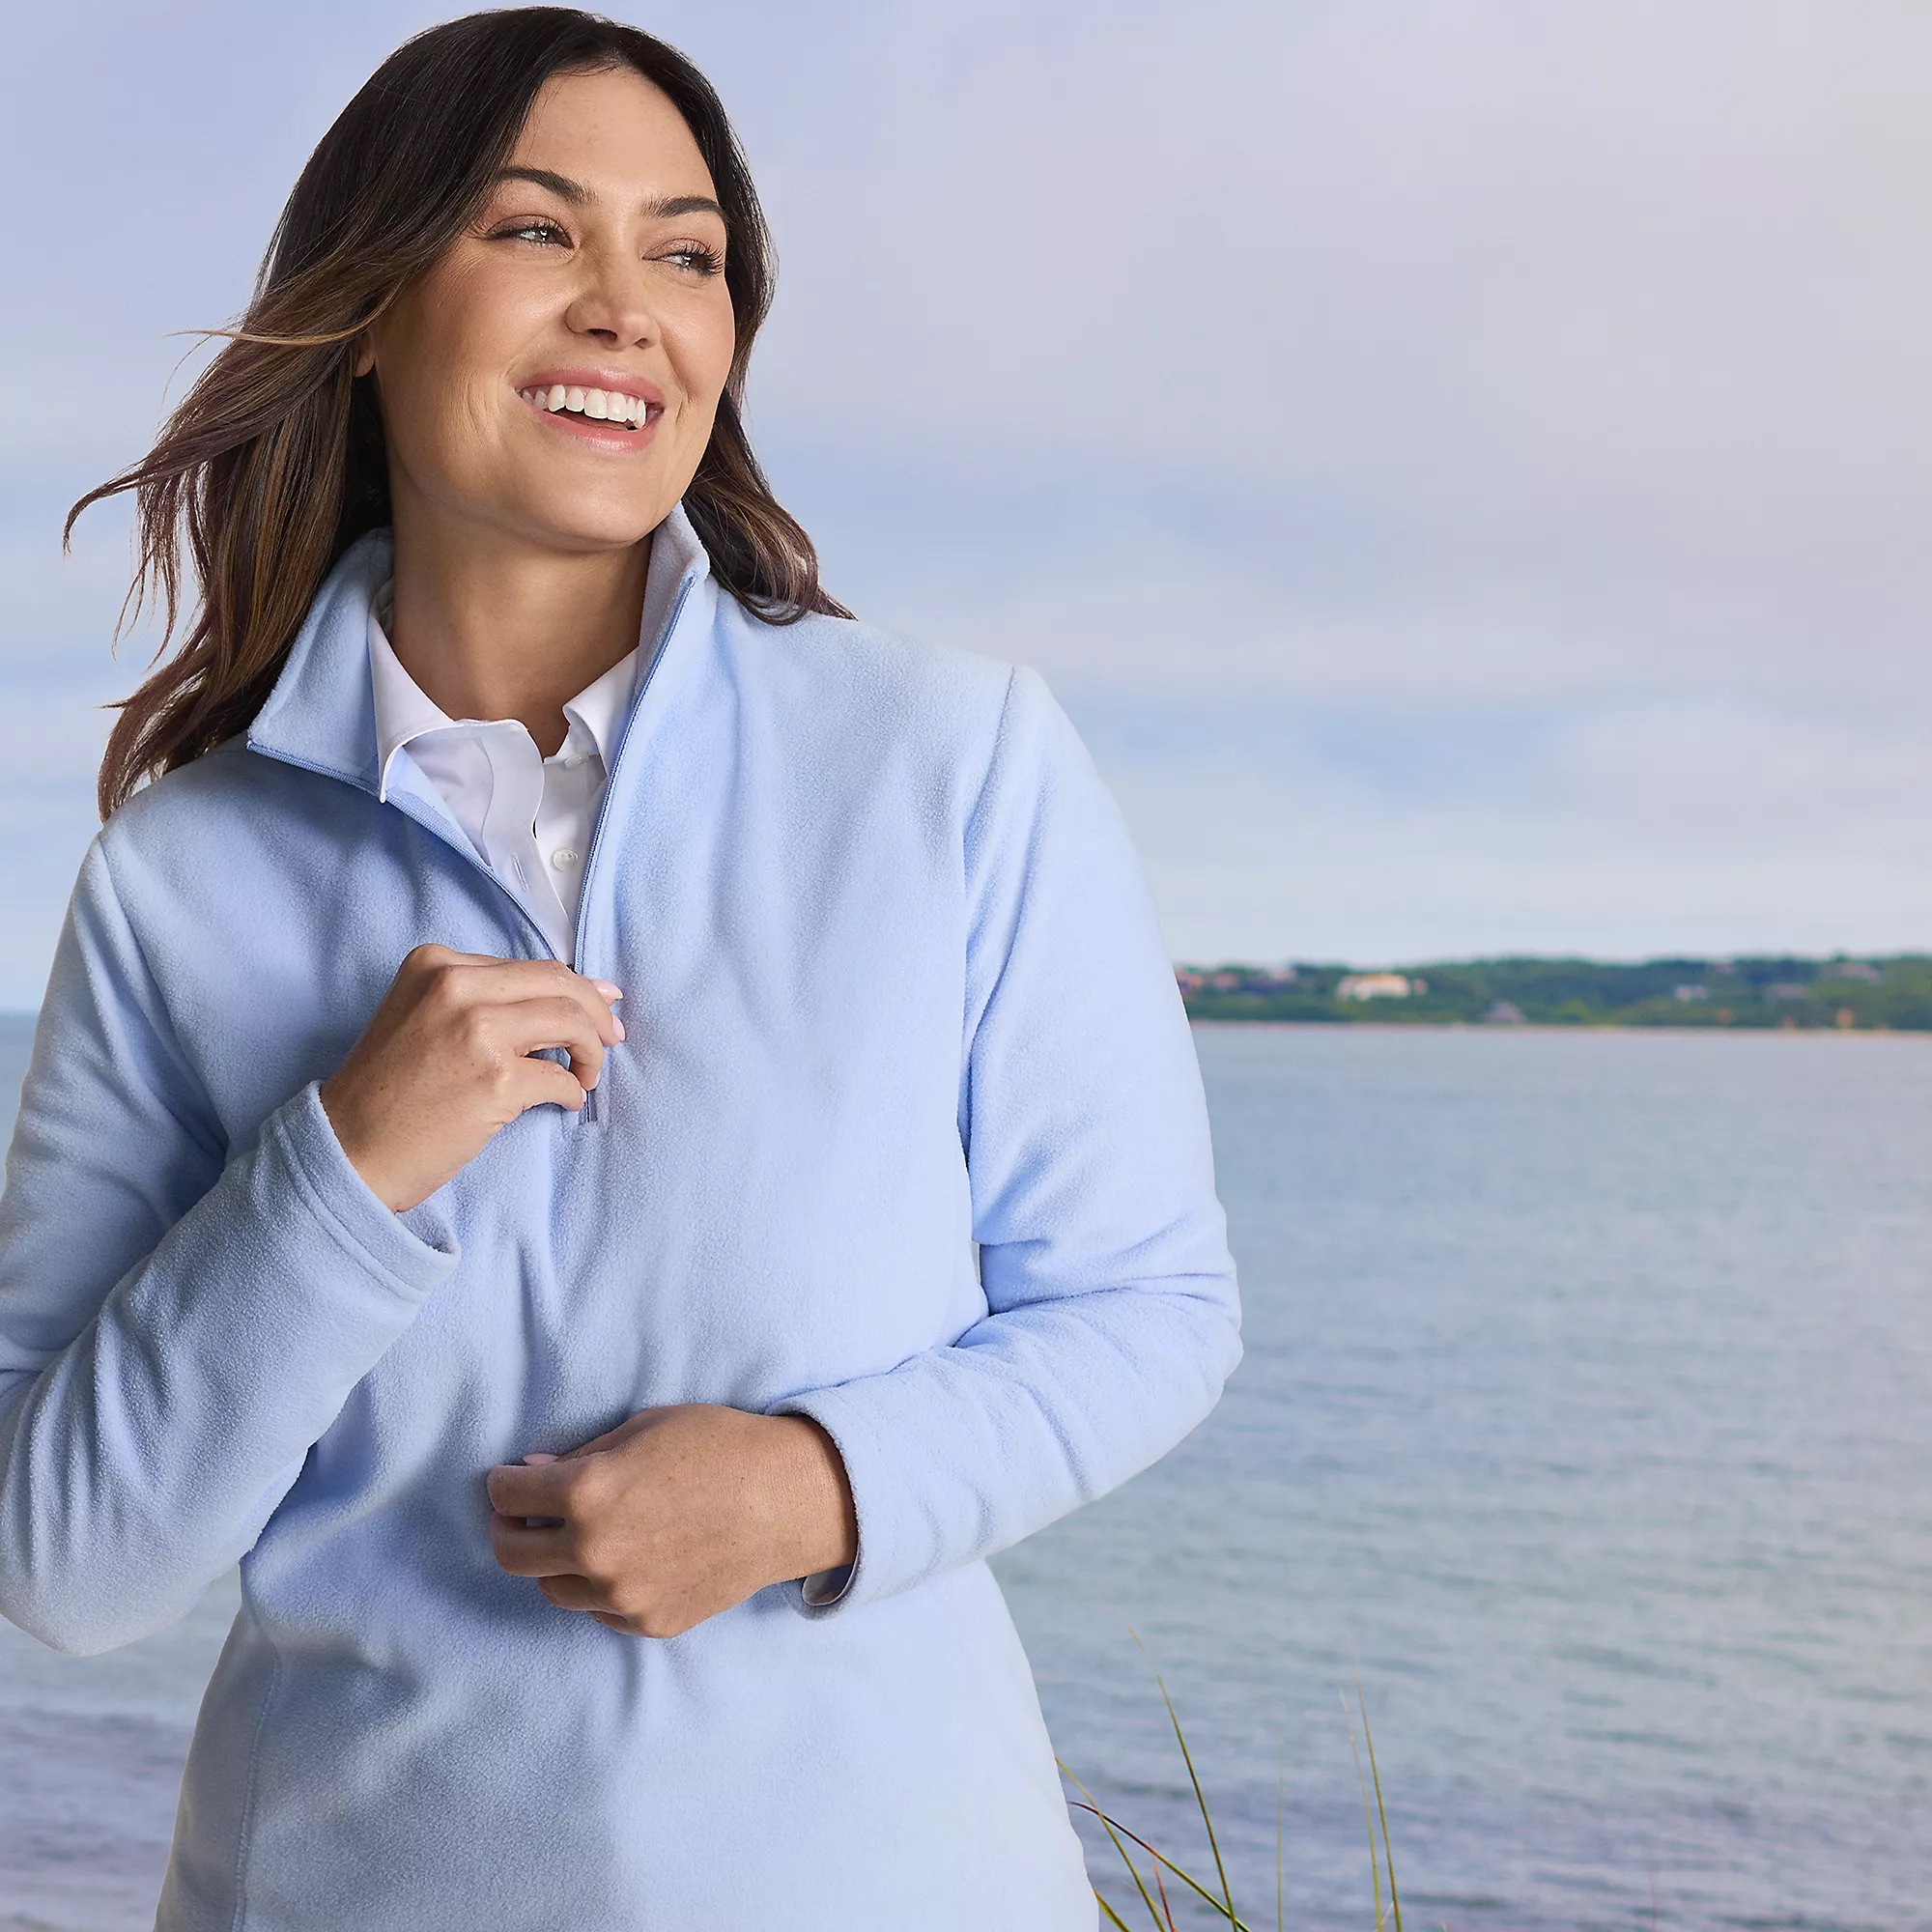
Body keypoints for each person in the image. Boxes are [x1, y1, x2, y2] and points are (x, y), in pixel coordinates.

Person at [0, 11, 1240, 1927]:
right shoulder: (180, 881)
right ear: (366, 303)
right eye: (531, 233)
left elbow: (1148, 1306)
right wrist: (342, 1164)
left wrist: (816, 1485)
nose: (624, 307)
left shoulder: (952, 758)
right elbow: (71, 1559)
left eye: (684, 252)